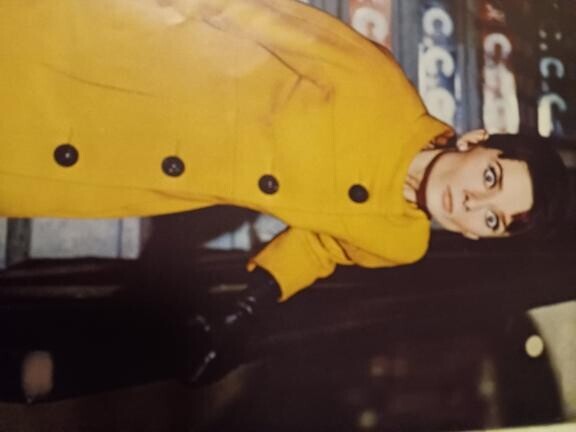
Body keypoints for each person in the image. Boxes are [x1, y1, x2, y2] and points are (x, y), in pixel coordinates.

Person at [0, 0, 568, 396]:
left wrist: (259, 295)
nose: (472, 204)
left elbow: (323, 244)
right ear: (475, 140)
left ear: (475, 236)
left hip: (133, 173)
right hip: (113, 72)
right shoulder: (374, 82)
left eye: (491, 220)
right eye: (490, 178)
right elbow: (245, 13)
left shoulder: (399, 241)